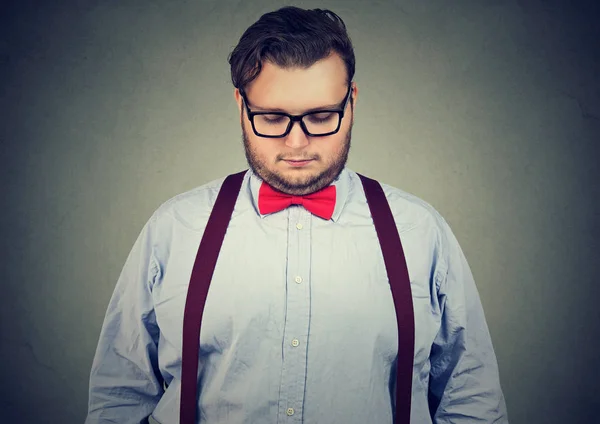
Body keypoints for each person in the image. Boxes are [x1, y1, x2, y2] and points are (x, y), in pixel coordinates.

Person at [85, 6, 509, 424]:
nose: (297, 142)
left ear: (352, 101)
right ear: (240, 105)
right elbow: (120, 398)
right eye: (271, 118)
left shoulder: (420, 232)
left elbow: (471, 399)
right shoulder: (173, 230)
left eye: (321, 116)